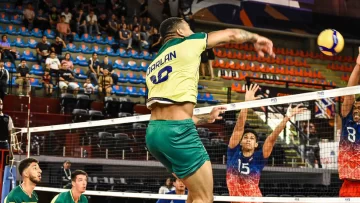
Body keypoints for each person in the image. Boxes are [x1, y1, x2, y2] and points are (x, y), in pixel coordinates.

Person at [145, 17, 274, 203]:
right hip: (178, 133)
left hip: (154, 134)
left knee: (195, 194)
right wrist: (256, 38)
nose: (191, 31)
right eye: (188, 28)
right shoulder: (187, 42)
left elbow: (170, 112)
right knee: (205, 198)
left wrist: (206, 117)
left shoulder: (154, 64)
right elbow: (231, 34)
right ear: (180, 32)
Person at [226, 84, 305, 201]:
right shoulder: (233, 152)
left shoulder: (259, 158)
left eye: (252, 138)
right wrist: (246, 104)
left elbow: (272, 138)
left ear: (256, 144)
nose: (248, 139)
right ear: (240, 141)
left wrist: (287, 117)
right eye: (246, 137)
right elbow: (239, 127)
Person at [338, 47, 360, 197]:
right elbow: (349, 94)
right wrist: (358, 66)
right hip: (348, 184)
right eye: (356, 106)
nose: (357, 109)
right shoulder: (347, 119)